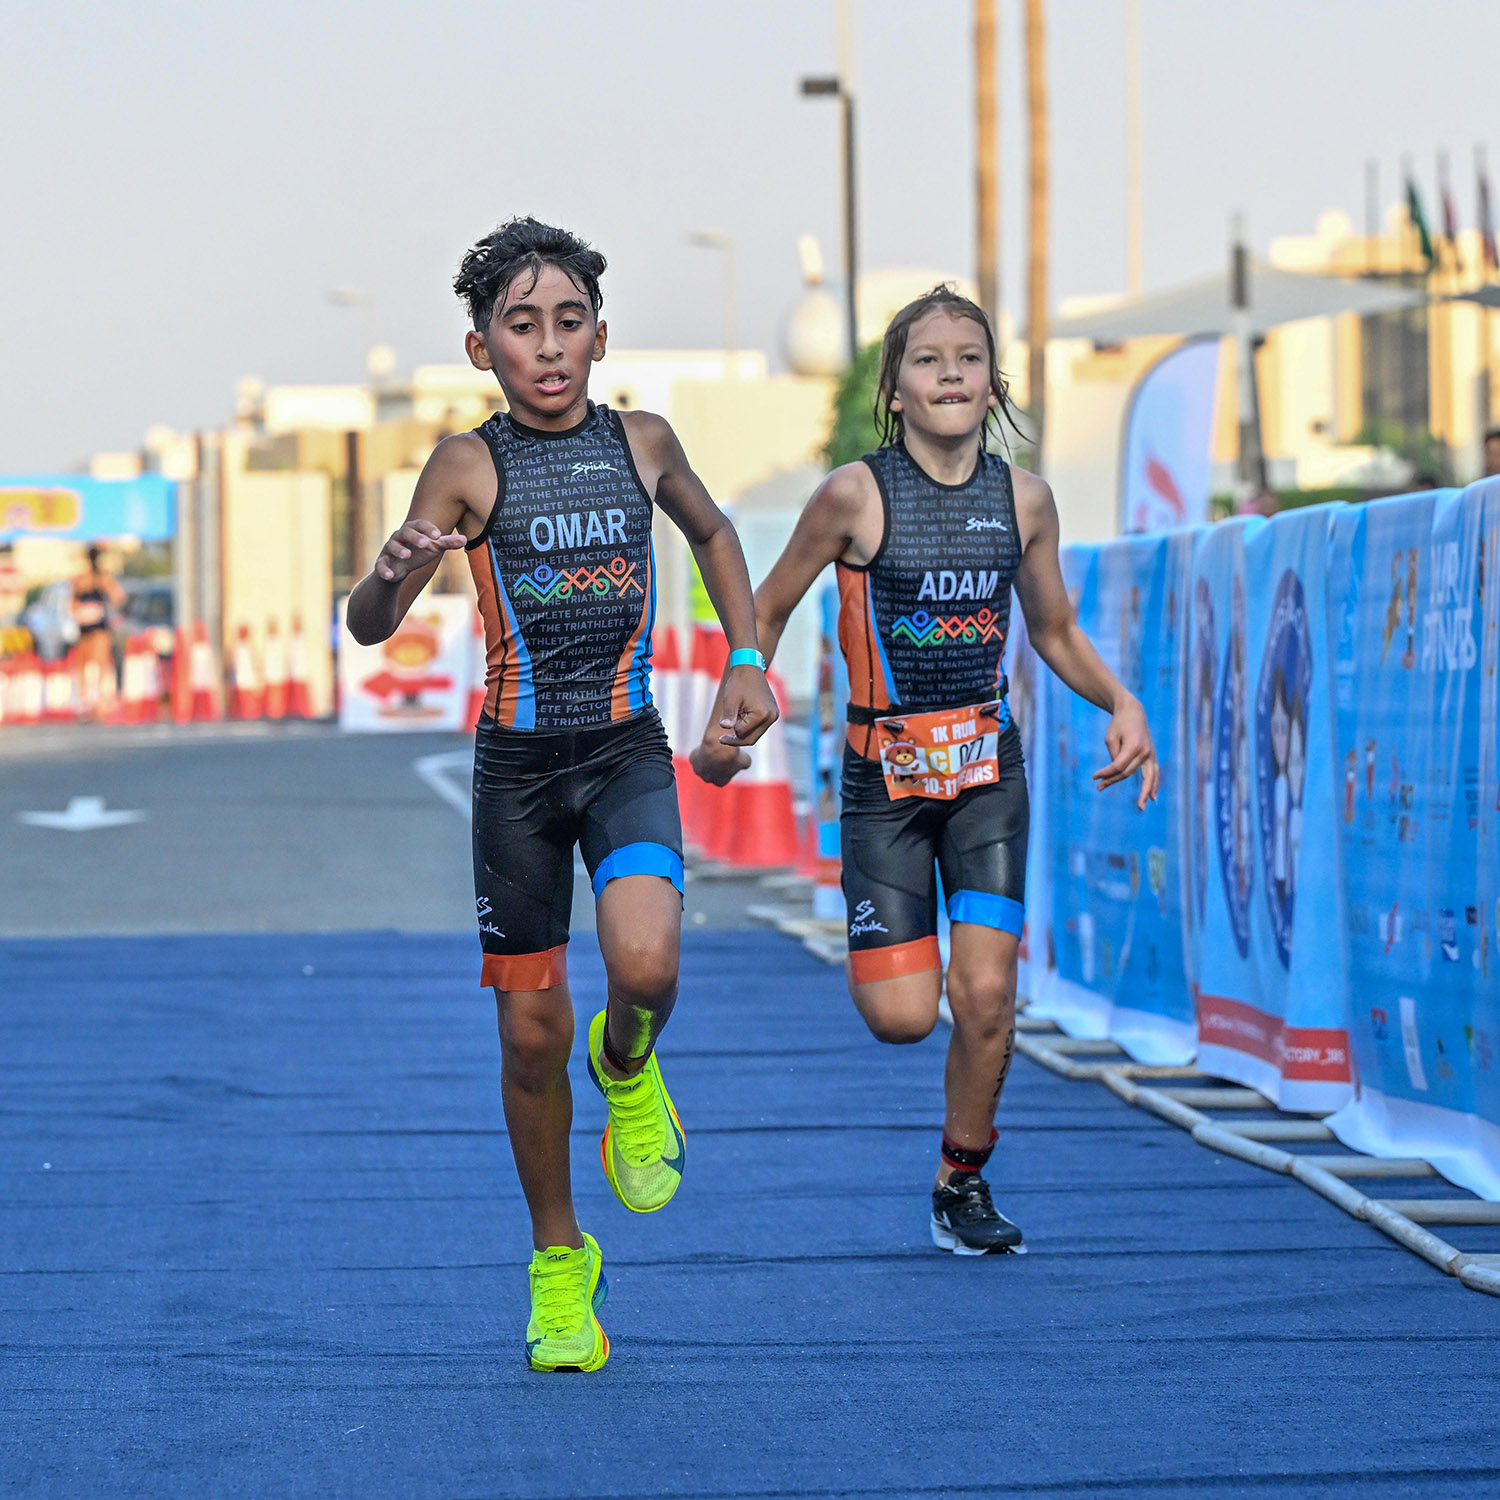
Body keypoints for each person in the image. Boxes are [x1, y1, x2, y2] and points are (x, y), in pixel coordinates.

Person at [346, 217, 776, 1371]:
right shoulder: (464, 464)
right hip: (519, 777)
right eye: (522, 326)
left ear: (601, 335)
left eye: (569, 323)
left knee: (647, 967)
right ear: (480, 347)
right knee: (529, 1036)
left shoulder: (644, 441)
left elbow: (714, 531)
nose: (548, 346)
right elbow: (371, 625)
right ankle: (559, 1265)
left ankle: (626, 1063)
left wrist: (745, 657)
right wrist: (388, 576)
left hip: (626, 752)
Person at [692, 286, 1158, 1254]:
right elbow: (767, 608)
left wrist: (1122, 701)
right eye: (928, 359)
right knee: (904, 1016)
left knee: (985, 996)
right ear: (895, 390)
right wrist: (739, 698)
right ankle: (912, 959)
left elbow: (1054, 629)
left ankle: (962, 1180)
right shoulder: (853, 497)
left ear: (993, 385)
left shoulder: (1024, 500)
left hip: (987, 778)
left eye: (969, 358)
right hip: (884, 787)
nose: (951, 373)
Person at [71, 544, 124, 715]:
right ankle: (87, 701)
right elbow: (118, 598)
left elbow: (118, 597)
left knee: (98, 663)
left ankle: (93, 700)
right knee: (89, 664)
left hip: (96, 626)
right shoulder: (85, 579)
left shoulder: (98, 579)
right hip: (90, 626)